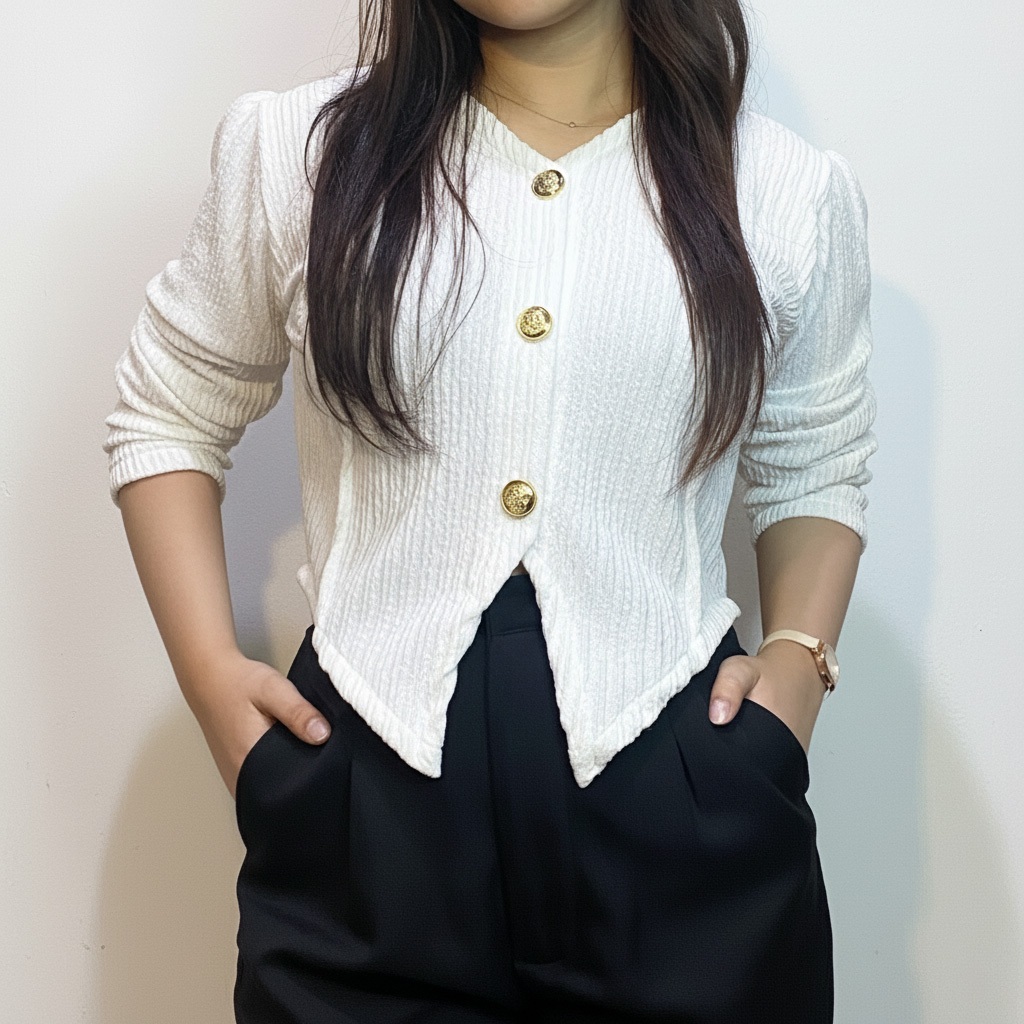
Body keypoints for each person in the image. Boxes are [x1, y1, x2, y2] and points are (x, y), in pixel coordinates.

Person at [102, 1, 878, 1021]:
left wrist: (797, 668)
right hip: (362, 835)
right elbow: (168, 408)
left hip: (686, 825)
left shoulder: (779, 188)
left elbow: (815, 459)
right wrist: (210, 676)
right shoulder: (301, 153)